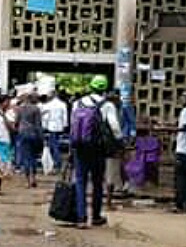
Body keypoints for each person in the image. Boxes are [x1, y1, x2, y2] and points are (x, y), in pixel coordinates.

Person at [71, 75, 119, 226]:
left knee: (80, 181)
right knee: (97, 181)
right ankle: (96, 216)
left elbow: (72, 124)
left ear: (90, 87)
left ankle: (81, 217)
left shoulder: (78, 103)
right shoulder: (107, 105)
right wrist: (120, 141)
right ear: (105, 89)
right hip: (97, 148)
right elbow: (115, 127)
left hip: (80, 146)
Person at [104, 88, 129, 208]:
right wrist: (121, 142)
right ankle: (108, 202)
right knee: (111, 172)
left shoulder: (99, 108)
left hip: (98, 145)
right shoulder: (111, 109)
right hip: (111, 146)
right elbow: (115, 128)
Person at [15, 93, 44, 188]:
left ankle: (27, 181)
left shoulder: (19, 109)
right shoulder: (36, 109)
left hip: (23, 133)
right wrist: (41, 137)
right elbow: (38, 125)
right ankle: (33, 178)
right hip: (33, 134)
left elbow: (16, 122)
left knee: (26, 157)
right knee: (33, 157)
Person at [40, 91, 68, 173]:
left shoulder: (48, 105)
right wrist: (65, 125)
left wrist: (44, 126)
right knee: (55, 144)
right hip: (59, 126)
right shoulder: (62, 104)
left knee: (53, 145)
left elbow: (45, 117)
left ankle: (56, 162)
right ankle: (55, 162)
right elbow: (65, 116)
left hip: (50, 126)